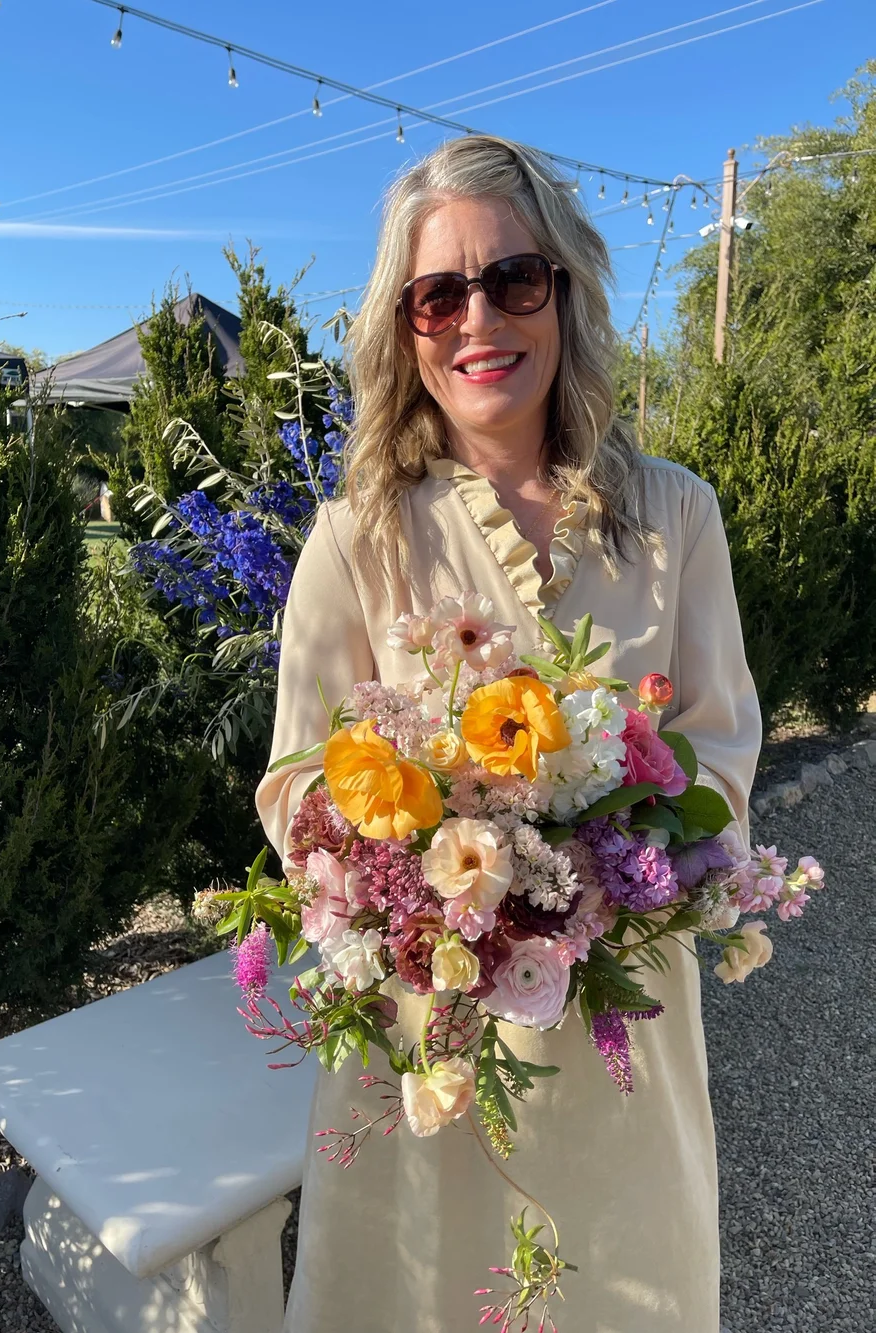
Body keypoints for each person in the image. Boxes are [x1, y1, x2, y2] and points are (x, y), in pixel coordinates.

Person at [255, 134, 761, 1333]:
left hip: (621, 1042)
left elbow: (721, 756)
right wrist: (431, 875)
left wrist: (587, 867)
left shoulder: (674, 517)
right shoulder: (358, 538)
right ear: (403, 328)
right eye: (439, 294)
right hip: (426, 1046)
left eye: (513, 279)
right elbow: (294, 787)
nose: (477, 319)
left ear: (565, 291)